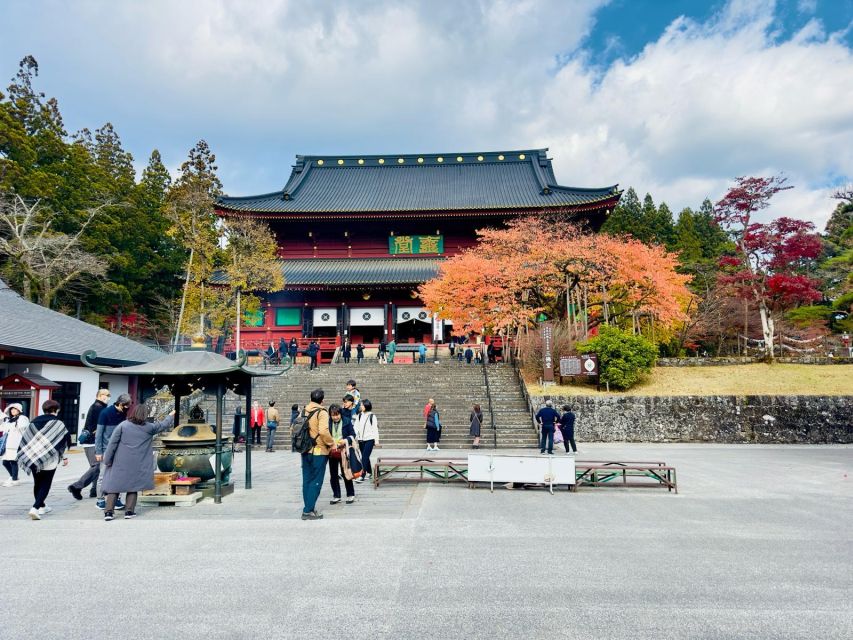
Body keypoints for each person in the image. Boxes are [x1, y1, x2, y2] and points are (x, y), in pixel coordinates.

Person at [101, 404, 175, 521]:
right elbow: (163, 425)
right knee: (133, 486)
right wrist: (170, 416)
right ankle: (129, 511)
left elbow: (112, 444)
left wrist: (107, 460)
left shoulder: (123, 425)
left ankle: (109, 513)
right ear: (145, 415)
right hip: (137, 462)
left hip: (120, 461)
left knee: (114, 486)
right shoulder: (149, 427)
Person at [16, 399, 70, 520]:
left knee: (37, 483)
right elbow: (63, 442)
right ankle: (35, 508)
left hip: (34, 457)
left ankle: (42, 506)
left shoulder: (34, 421)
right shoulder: (58, 423)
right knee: (46, 483)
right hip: (50, 458)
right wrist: (64, 457)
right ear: (56, 410)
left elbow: (27, 440)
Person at [67, 389, 109, 499]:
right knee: (97, 466)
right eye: (106, 395)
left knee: (96, 466)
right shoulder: (99, 408)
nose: (108, 397)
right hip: (93, 441)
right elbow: (99, 427)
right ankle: (77, 486)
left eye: (109, 395)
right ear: (100, 396)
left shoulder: (97, 406)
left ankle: (94, 490)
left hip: (90, 441)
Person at [300, 388, 334, 520]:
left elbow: (293, 428)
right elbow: (324, 431)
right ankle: (308, 510)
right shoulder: (322, 412)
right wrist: (331, 443)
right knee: (316, 480)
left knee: (307, 480)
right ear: (322, 400)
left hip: (305, 450)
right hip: (319, 451)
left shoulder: (303, 410)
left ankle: (309, 507)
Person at [95, 393, 131, 510]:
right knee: (103, 475)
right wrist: (98, 451)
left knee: (119, 475)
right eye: (125, 406)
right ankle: (100, 500)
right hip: (106, 449)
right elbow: (99, 434)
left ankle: (117, 499)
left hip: (120, 449)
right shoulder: (105, 413)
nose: (127, 409)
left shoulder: (123, 413)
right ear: (120, 404)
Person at [327, 403, 356, 505]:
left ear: (340, 413)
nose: (335, 417)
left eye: (337, 414)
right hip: (332, 451)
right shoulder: (327, 423)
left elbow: (353, 434)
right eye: (333, 415)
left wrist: (345, 440)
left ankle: (350, 494)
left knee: (345, 473)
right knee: (333, 475)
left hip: (343, 450)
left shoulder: (347, 421)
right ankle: (336, 495)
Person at [1, 403, 29, 487]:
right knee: (5, 462)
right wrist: (4, 420)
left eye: (15, 409)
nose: (13, 411)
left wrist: (11, 424)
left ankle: (15, 480)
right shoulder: (10, 419)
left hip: (16, 444)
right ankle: (12, 476)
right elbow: (3, 429)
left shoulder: (22, 418)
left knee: (13, 461)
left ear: (19, 410)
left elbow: (22, 427)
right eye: (11, 409)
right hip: (8, 444)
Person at [354, 399, 379, 483]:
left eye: (362, 405)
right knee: (365, 456)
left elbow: (375, 429)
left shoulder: (372, 416)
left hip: (370, 439)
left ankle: (362, 475)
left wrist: (376, 440)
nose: (361, 406)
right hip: (361, 439)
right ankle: (370, 472)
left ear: (366, 406)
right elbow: (356, 427)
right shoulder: (360, 415)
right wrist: (355, 437)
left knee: (364, 457)